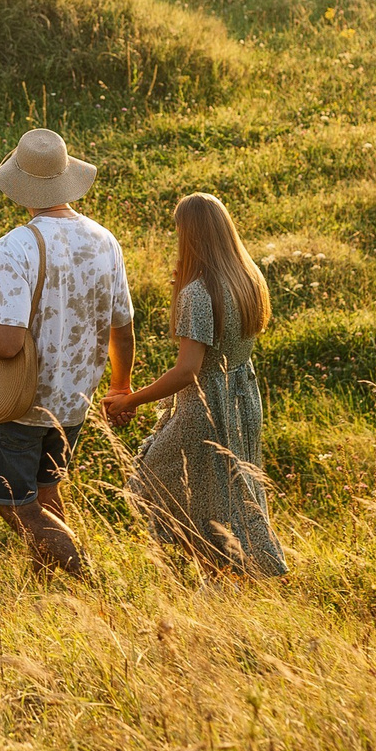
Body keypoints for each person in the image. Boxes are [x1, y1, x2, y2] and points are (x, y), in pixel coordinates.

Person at [0, 128, 136, 577]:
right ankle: (45, 588)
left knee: (14, 506)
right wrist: (121, 386)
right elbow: (123, 327)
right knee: (47, 493)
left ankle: (86, 577)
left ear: (22, 186)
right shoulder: (105, 240)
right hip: (75, 402)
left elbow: (6, 342)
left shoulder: (16, 246)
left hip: (22, 402)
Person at [105, 192, 288, 578]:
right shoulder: (248, 279)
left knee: (153, 483)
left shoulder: (198, 293)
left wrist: (129, 400)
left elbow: (188, 370)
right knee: (228, 495)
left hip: (205, 405)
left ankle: (221, 572)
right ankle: (228, 576)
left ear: (189, 235)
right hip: (242, 399)